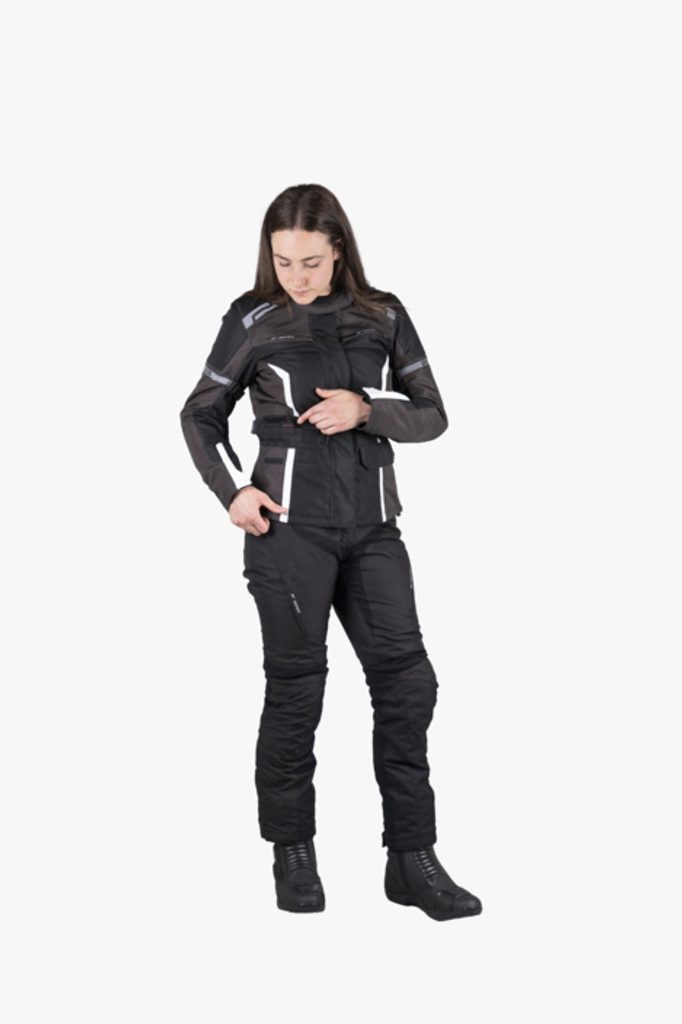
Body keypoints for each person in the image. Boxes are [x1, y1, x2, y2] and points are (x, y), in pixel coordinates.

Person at [179, 183, 482, 922]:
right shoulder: (251, 319)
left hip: (373, 530)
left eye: (310, 261)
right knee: (297, 690)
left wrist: (366, 408)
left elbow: (434, 414)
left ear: (338, 249)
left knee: (408, 686)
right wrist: (232, 491)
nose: (297, 276)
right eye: (283, 261)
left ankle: (412, 860)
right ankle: (293, 852)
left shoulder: (384, 314)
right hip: (287, 534)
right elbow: (199, 414)